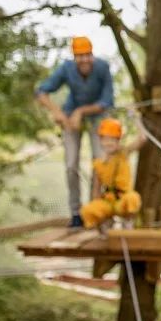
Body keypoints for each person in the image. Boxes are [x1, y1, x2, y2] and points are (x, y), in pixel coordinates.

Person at [36, 36, 114, 228]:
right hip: (70, 117)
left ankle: (96, 210)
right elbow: (41, 92)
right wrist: (59, 114)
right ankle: (76, 213)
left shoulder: (103, 67)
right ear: (74, 57)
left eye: (88, 55)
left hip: (97, 115)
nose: (85, 59)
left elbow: (107, 101)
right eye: (80, 56)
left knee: (100, 162)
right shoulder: (66, 68)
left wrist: (81, 112)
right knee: (71, 165)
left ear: (92, 54)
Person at [79, 117, 144, 231]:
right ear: (101, 141)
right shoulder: (98, 163)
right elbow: (96, 188)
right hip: (108, 202)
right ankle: (105, 224)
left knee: (132, 198)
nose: (108, 143)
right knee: (88, 210)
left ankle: (128, 222)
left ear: (118, 141)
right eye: (105, 139)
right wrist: (97, 211)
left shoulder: (124, 153)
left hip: (123, 201)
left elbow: (142, 139)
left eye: (112, 139)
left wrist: (135, 117)